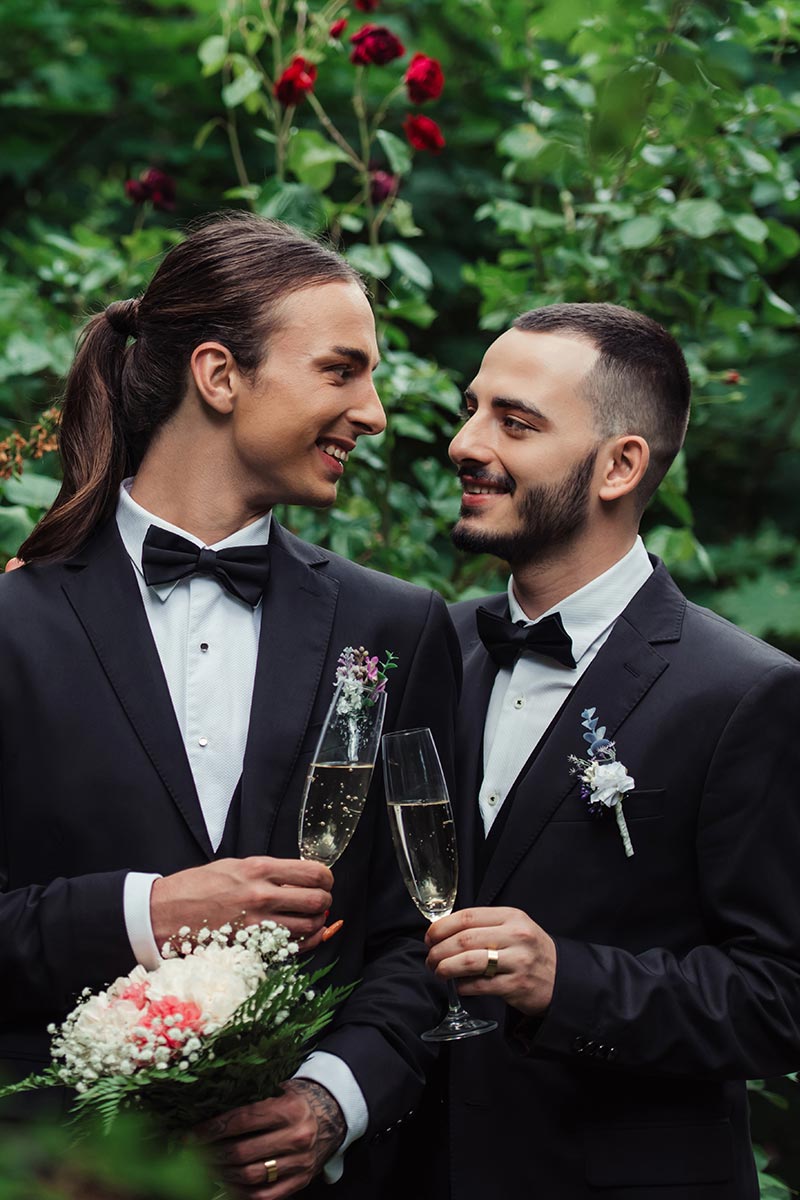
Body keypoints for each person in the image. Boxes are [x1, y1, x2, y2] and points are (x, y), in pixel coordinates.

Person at [0, 211, 460, 1199]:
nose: (373, 411)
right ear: (219, 376)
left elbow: (420, 931)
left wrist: (335, 1097)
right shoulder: (9, 626)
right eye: (341, 370)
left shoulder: (399, 625)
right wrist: (144, 911)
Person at [424, 303, 800, 1198]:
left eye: (514, 422)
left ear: (621, 464)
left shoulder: (745, 693)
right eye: (472, 408)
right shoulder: (433, 652)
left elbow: (781, 995)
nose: (465, 444)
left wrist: (567, 981)